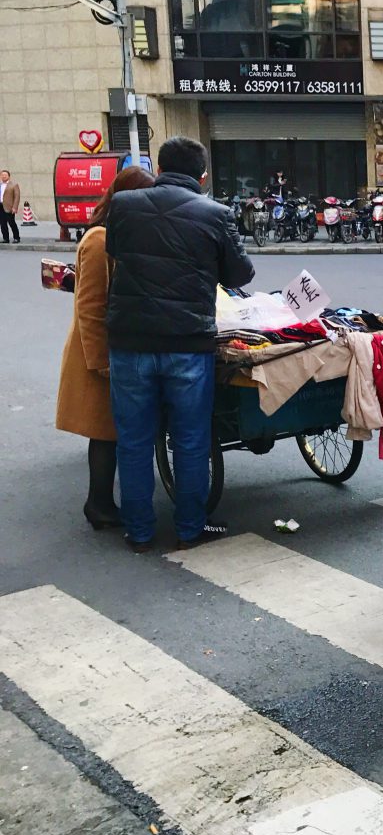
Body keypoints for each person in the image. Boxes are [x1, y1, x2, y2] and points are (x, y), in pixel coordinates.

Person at [105, 136, 256, 552]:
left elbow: (115, 251)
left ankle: (138, 531)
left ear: (158, 166)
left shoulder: (123, 206)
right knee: (190, 440)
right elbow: (240, 275)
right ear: (202, 176)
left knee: (133, 439)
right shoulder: (215, 213)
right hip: (188, 343)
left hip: (130, 341)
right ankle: (190, 528)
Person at [56, 166, 156, 530]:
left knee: (112, 430)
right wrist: (101, 363)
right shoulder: (99, 240)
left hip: (116, 346)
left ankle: (102, 501)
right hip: (95, 350)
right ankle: (98, 504)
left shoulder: (122, 232)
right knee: (104, 431)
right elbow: (90, 306)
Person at [1, 170, 21, 243]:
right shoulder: (0, 184)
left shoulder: (14, 185)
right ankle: (5, 238)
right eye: (2, 175)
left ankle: (16, 237)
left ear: (9, 176)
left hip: (9, 206)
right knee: (2, 224)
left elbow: (17, 196)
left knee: (11, 223)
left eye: (5, 175)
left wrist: (15, 207)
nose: (3, 176)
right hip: (1, 206)